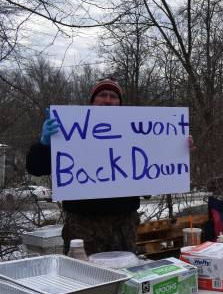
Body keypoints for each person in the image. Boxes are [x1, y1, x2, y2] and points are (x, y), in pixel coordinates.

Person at [26, 79, 194, 255]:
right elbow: (36, 168)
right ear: (92, 101)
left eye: (113, 96)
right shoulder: (69, 130)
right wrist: (44, 144)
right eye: (102, 95)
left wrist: (177, 150)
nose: (107, 100)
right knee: (82, 276)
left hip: (123, 225)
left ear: (119, 103)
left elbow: (151, 174)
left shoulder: (136, 133)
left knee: (125, 277)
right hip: (82, 225)